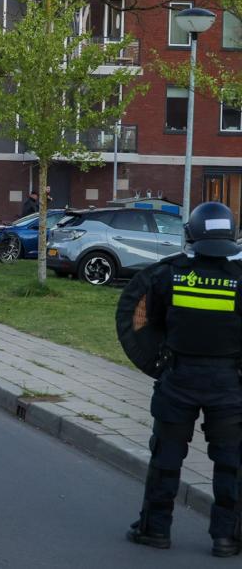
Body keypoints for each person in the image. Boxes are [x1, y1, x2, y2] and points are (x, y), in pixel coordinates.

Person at [126, 202, 242, 557]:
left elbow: (143, 321)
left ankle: (155, 530)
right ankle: (226, 538)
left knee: (166, 456)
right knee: (230, 463)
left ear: (191, 233)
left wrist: (156, 361)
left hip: (178, 379)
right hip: (228, 385)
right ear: (232, 235)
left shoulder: (167, 274)